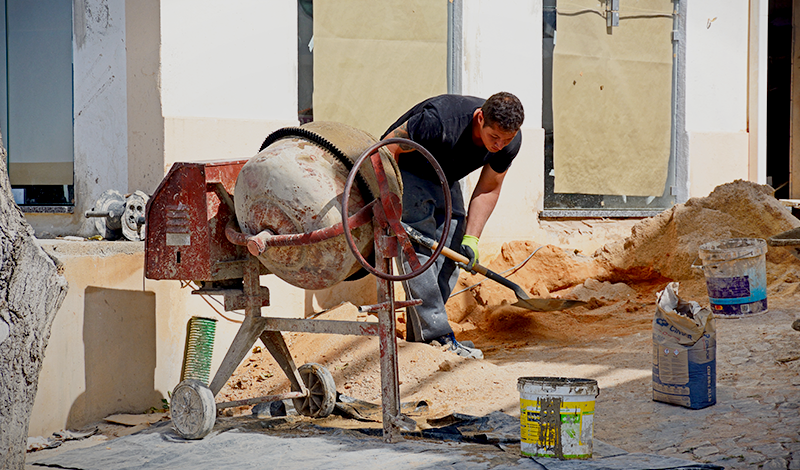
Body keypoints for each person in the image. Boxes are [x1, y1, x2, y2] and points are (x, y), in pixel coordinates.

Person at [381, 92, 524, 359]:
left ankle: (421, 339)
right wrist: (388, 200)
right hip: (407, 170)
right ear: (480, 118)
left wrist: (472, 238)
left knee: (454, 251)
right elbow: (387, 150)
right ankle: (438, 335)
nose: (500, 145)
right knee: (420, 249)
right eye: (494, 137)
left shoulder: (508, 142)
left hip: (445, 176)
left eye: (507, 139)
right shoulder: (440, 121)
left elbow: (489, 186)